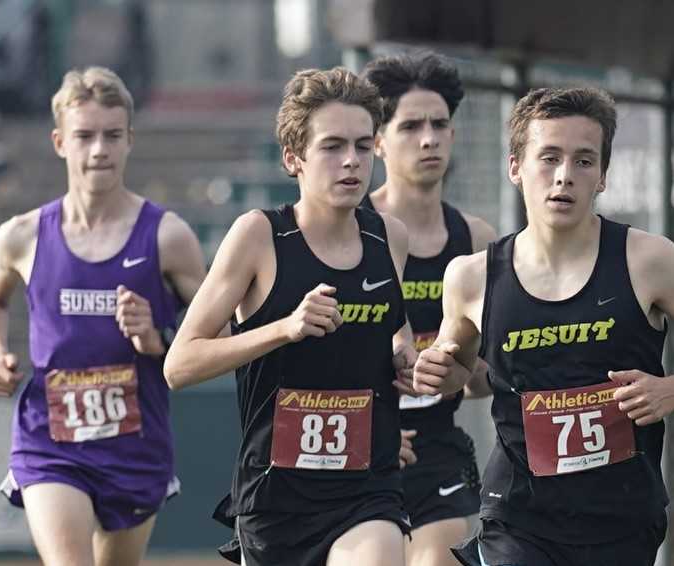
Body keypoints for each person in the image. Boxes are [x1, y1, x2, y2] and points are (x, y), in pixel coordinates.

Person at [164, 66, 417, 566]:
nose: (351, 161)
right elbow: (179, 364)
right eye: (332, 146)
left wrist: (406, 359)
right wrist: (283, 328)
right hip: (275, 499)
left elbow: (394, 333)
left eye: (364, 146)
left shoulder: (389, 237)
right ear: (293, 158)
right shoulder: (259, 236)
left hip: (367, 489)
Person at [413, 86, 672, 566]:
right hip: (517, 519)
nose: (564, 177)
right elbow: (461, 375)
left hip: (622, 518)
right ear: (515, 167)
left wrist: (671, 389)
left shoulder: (650, 260)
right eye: (548, 158)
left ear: (603, 177)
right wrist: (439, 372)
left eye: (583, 161)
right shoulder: (471, 276)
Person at [0, 66, 206, 566]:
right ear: (60, 141)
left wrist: (156, 337)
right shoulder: (22, 235)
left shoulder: (168, 238)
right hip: (49, 440)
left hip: (136, 442)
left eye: (111, 135)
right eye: (84, 136)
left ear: (129, 141)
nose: (98, 149)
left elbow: (218, 329)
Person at [360, 52, 496, 566]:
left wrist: (462, 367)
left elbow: (485, 380)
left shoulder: (476, 240)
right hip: (355, 439)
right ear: (378, 140)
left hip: (436, 445)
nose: (429, 138)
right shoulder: (351, 229)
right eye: (411, 125)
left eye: (440, 124)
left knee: (439, 559)